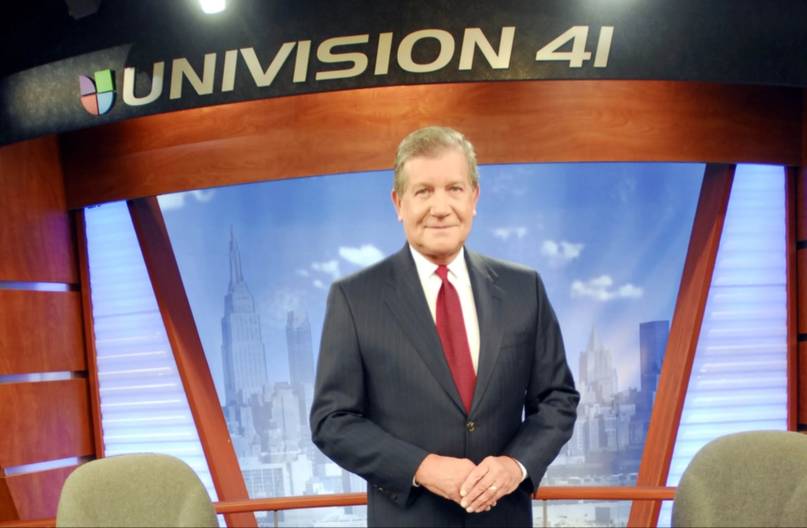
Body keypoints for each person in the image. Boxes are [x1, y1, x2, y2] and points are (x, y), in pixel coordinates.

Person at [310, 126, 579, 527]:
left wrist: (514, 465)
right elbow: (332, 422)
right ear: (398, 203)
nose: (440, 207)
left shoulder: (525, 289)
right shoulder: (354, 298)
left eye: (454, 189)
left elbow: (557, 399)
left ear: (474, 197)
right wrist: (423, 467)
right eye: (423, 191)